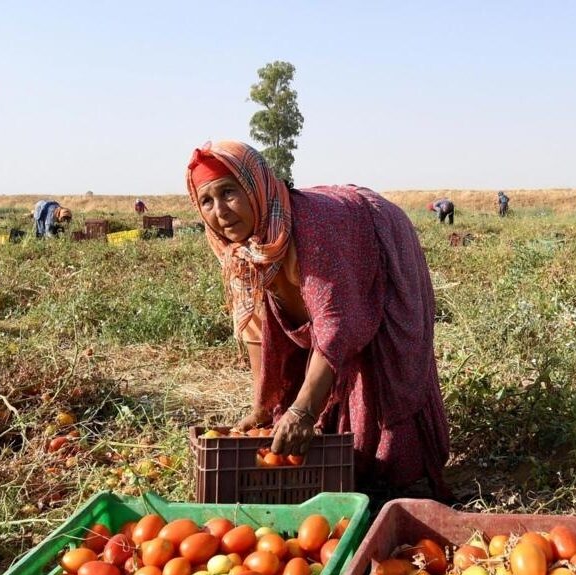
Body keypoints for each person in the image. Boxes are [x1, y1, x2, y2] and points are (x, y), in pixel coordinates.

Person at [186, 140, 450, 499]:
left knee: (382, 364)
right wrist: (263, 406)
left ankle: (399, 477)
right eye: (206, 201)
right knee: (308, 390)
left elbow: (335, 324)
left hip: (378, 238)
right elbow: (257, 328)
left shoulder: (312, 228)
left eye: (229, 192)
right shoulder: (237, 249)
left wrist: (304, 411)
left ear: (255, 187)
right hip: (334, 273)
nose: (220, 211)